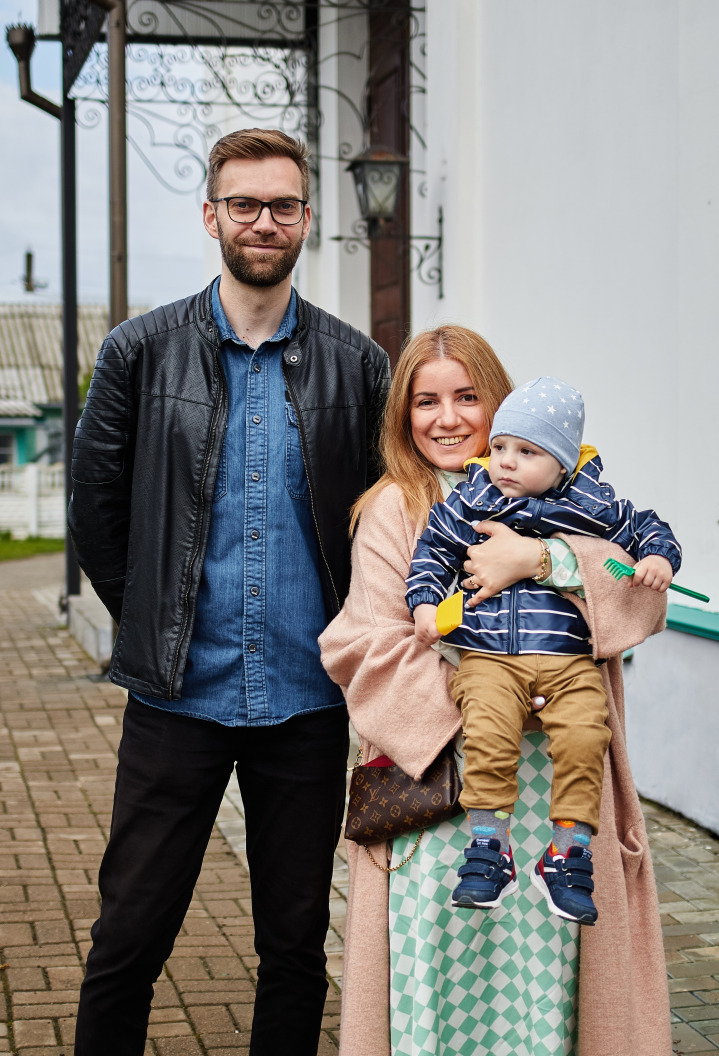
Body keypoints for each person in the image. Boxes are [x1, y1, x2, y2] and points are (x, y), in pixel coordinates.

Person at [67, 127, 390, 1056]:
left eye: (282, 205)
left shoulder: (356, 363)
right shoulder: (139, 351)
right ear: (211, 215)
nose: (263, 221)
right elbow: (96, 509)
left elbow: (380, 518)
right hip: (178, 697)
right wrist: (154, 621)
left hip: (306, 700)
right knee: (128, 937)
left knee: (293, 946)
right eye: (242, 204)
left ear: (305, 220)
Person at [319, 328, 672, 1056]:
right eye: (425, 401)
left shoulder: (571, 494)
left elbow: (638, 601)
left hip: (556, 792)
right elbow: (366, 643)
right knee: (436, 984)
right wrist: (491, 699)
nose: (445, 418)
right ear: (403, 415)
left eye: (465, 397)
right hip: (443, 784)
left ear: (500, 408)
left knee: (546, 988)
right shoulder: (395, 508)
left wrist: (540, 559)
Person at [406, 375, 681, 923]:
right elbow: (433, 550)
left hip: (566, 659)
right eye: (501, 446)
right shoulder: (473, 496)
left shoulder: (591, 504)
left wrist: (658, 559)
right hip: (488, 654)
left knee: (585, 733)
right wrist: (423, 606)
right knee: (485, 728)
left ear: (562, 463)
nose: (506, 461)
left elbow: (647, 526)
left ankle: (567, 853)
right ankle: (490, 846)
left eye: (527, 452)